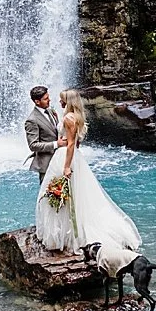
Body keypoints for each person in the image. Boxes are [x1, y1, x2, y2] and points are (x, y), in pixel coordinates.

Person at [33, 88, 142, 255]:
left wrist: (67, 166)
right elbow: (76, 143)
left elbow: (70, 144)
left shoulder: (69, 118)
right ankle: (67, 229)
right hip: (74, 157)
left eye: (62, 99)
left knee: (61, 194)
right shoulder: (76, 117)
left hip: (65, 157)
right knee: (75, 195)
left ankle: (65, 234)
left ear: (68, 102)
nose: (59, 102)